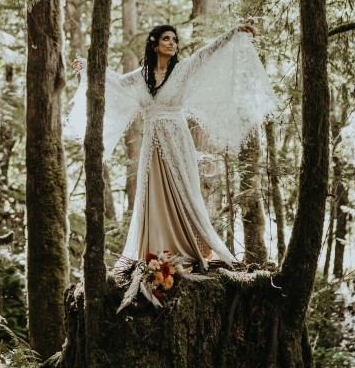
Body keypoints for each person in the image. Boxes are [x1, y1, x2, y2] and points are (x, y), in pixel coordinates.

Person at [66, 23, 277, 269]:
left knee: (183, 191)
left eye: (174, 40)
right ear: (155, 44)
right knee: (152, 194)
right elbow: (114, 84)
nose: (172, 43)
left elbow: (207, 53)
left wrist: (233, 34)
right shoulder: (140, 76)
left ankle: (195, 247)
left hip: (177, 140)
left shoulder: (182, 70)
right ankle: (156, 253)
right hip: (152, 144)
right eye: (166, 39)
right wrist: (88, 69)